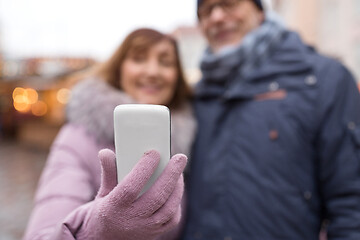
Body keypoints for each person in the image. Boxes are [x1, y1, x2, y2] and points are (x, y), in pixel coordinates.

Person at [181, 0, 360, 239]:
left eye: (229, 4)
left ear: (260, 12)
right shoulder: (198, 94)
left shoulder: (323, 79)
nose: (216, 17)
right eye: (205, 12)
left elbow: (351, 199)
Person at [23, 28, 196, 240]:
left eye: (166, 62)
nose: (153, 71)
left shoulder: (188, 139)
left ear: (177, 78)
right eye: (139, 59)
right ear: (119, 70)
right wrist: (99, 228)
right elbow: (40, 235)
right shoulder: (78, 138)